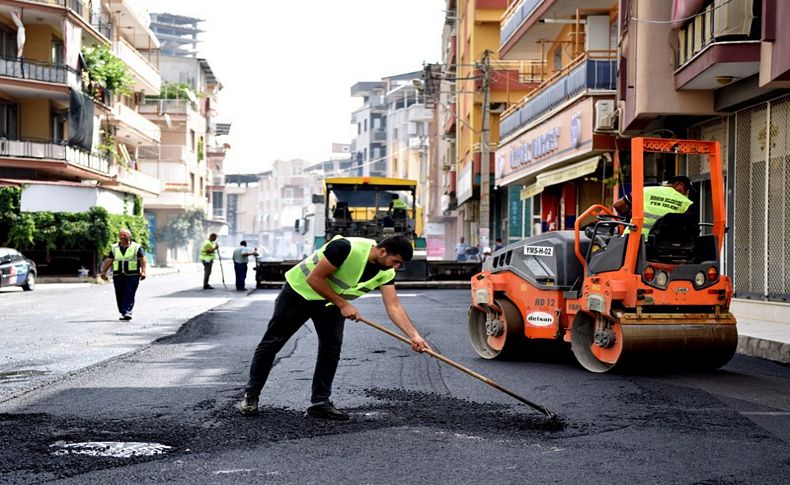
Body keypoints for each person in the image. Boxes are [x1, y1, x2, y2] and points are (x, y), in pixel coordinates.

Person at [239, 234, 430, 420]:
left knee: (331, 350)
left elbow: (393, 304)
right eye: (395, 261)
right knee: (272, 343)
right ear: (382, 251)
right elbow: (314, 279)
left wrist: (414, 335)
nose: (396, 267)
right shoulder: (345, 247)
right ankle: (251, 395)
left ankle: (319, 404)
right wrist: (343, 304)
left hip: (330, 302)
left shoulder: (386, 272)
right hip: (299, 294)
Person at [613, 175, 693, 236]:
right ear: (677, 184)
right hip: (662, 245)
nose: (685, 193)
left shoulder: (645, 190)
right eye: (685, 189)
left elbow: (618, 205)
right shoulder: (686, 203)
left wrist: (630, 215)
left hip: (634, 238)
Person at [100, 228, 146, 321]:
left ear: (129, 236)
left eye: (124, 235)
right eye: (121, 235)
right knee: (119, 294)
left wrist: (143, 271)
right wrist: (103, 271)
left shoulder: (136, 247)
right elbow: (109, 260)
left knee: (129, 292)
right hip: (118, 275)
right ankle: (123, 311)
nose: (122, 236)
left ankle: (127, 312)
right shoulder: (114, 247)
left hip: (132, 275)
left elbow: (142, 259)